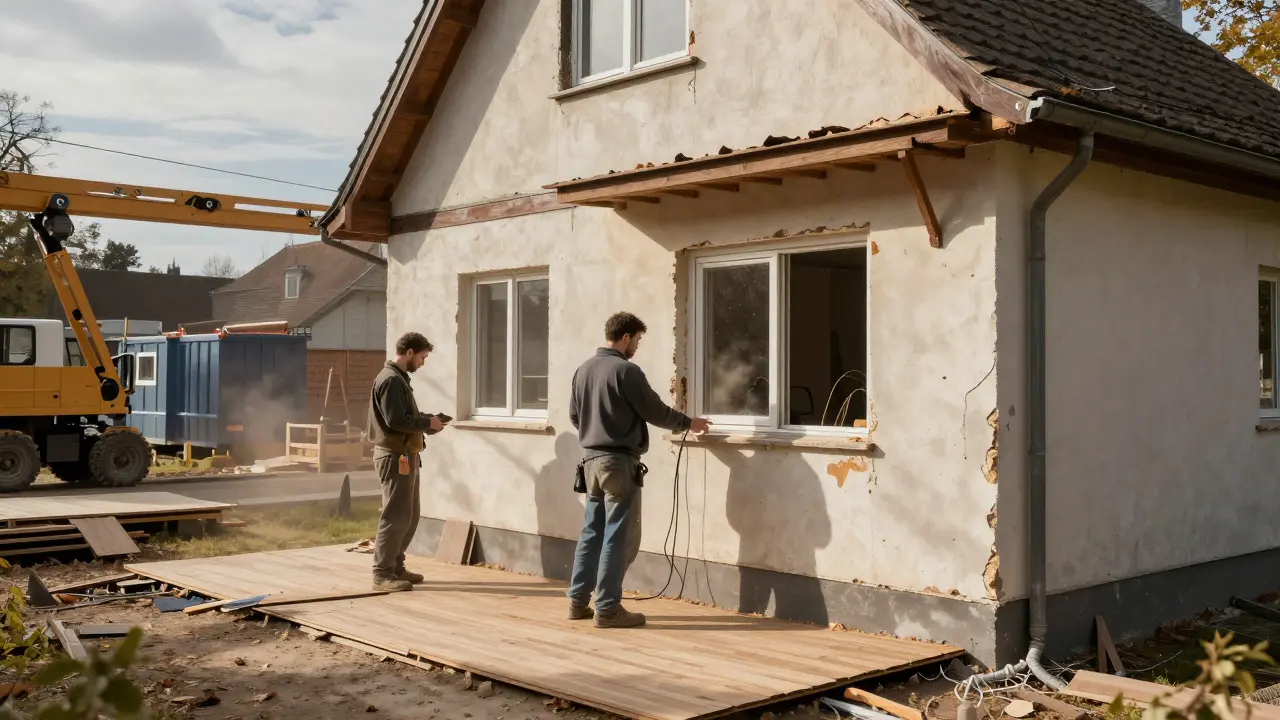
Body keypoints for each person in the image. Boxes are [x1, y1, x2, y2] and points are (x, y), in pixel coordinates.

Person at [567, 312, 711, 628]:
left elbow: (575, 418)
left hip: (590, 462)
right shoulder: (626, 371)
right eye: (638, 340)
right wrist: (689, 422)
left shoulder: (583, 370)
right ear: (626, 337)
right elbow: (654, 410)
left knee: (592, 532)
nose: (637, 347)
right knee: (618, 536)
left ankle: (578, 602)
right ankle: (607, 609)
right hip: (618, 463)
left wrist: (597, 432)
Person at [366, 331, 447, 592]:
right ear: (409, 352)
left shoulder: (398, 378)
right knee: (396, 516)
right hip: (394, 455)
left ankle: (396, 566)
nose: (422, 363)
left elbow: (404, 415)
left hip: (405, 454)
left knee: (408, 516)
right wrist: (426, 423)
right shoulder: (391, 380)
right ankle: (382, 573)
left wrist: (430, 422)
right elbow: (395, 421)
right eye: (422, 357)